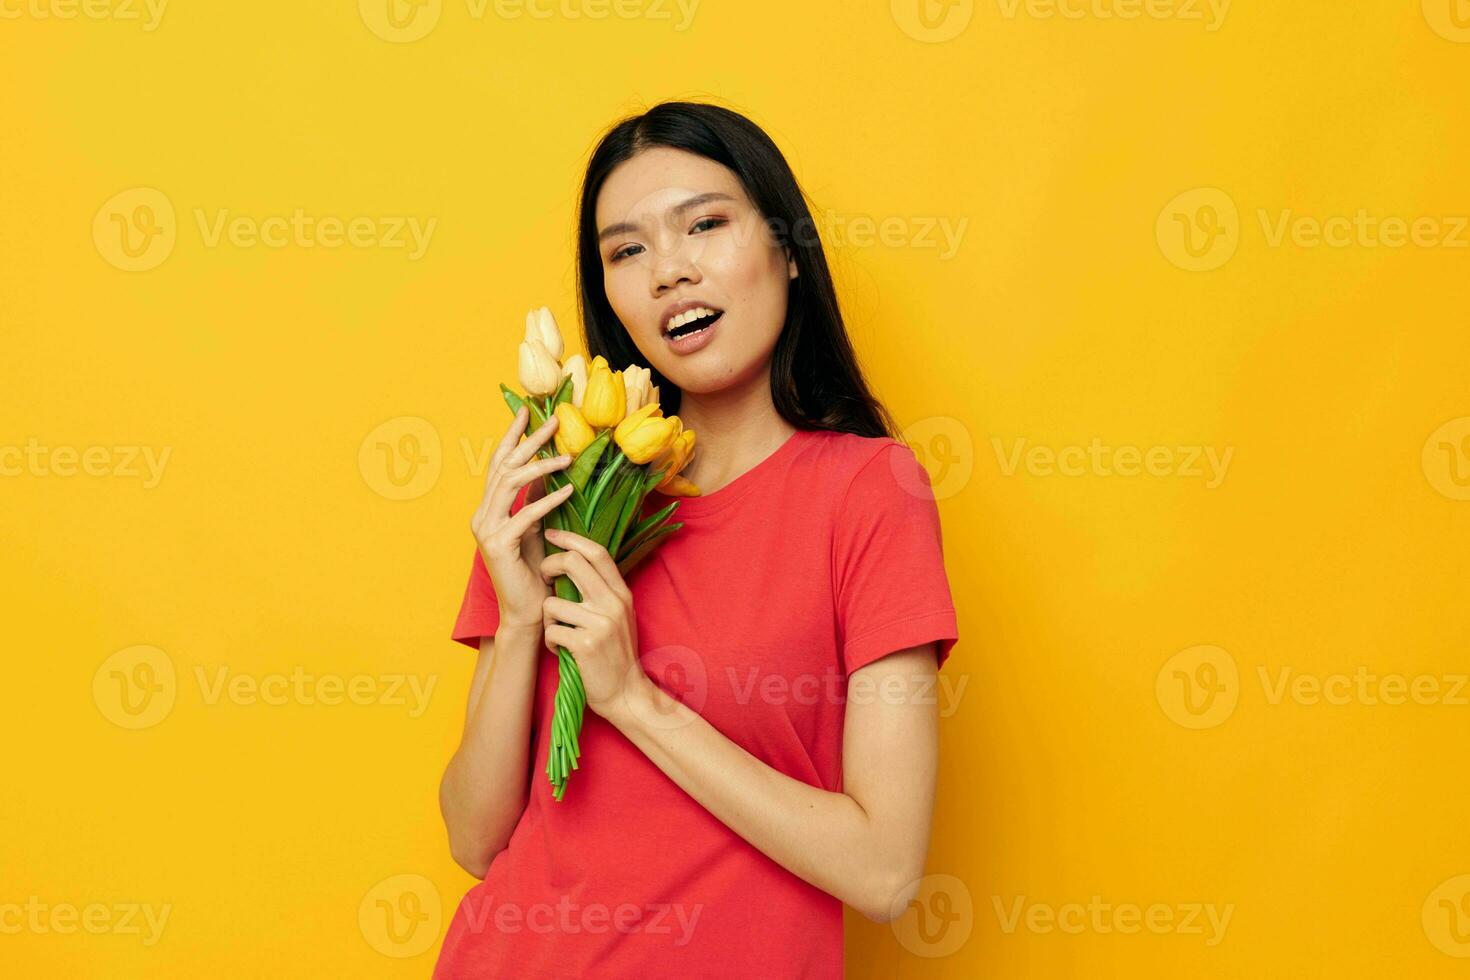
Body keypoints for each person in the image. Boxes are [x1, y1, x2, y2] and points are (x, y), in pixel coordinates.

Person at [433, 100, 960, 979]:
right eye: (628, 250)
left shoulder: (870, 491)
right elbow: (473, 837)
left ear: (787, 250)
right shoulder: (560, 486)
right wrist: (522, 622)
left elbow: (885, 871)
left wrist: (633, 698)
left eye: (705, 225)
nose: (668, 272)